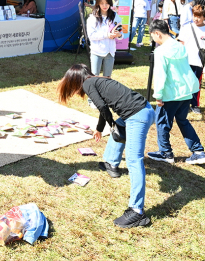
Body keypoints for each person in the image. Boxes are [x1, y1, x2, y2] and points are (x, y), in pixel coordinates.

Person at [57, 64, 156, 228]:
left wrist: (111, 126)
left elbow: (103, 108)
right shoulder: (97, 80)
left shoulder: (88, 84)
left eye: (71, 87)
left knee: (133, 160)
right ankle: (111, 163)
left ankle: (137, 211)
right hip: (144, 110)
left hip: (137, 116)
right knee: (119, 125)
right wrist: (99, 129)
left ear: (76, 81)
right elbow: (103, 108)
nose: (73, 91)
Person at [147, 20, 205, 165]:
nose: (153, 40)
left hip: (171, 92)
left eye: (152, 37)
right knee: (182, 121)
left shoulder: (160, 51)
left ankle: (165, 153)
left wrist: (158, 95)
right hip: (187, 90)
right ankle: (198, 152)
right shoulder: (180, 46)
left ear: (157, 33)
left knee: (162, 122)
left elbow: (160, 75)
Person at [178, 5, 205, 114]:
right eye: (194, 16)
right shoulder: (186, 27)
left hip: (199, 63)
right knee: (184, 82)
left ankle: (194, 104)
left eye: (199, 17)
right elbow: (181, 43)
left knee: (196, 84)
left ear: (204, 17)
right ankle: (182, 103)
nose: (196, 19)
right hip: (185, 60)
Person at [87, 0, 122, 78]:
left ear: (110, 3)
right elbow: (91, 35)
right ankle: (94, 92)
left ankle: (105, 92)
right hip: (97, 51)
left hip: (110, 52)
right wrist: (107, 35)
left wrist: (119, 35)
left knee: (107, 79)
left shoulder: (115, 16)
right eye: (102, 3)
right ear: (98, 3)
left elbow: (121, 32)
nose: (105, 6)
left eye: (107, 3)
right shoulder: (92, 17)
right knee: (95, 77)